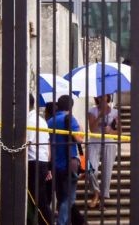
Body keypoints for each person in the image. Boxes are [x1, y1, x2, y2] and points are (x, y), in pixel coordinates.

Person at [48, 94, 84, 225]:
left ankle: (64, 221)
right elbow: (79, 139)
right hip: (69, 163)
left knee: (61, 196)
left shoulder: (50, 121)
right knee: (70, 197)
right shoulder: (70, 119)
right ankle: (61, 222)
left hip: (55, 164)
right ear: (71, 107)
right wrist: (80, 127)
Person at [86, 94, 119, 210]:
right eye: (99, 96)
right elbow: (92, 129)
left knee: (107, 172)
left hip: (109, 143)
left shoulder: (115, 112)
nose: (101, 98)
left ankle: (102, 200)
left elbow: (119, 132)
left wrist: (111, 131)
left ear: (108, 97)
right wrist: (100, 115)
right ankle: (96, 192)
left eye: (104, 96)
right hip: (94, 142)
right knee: (91, 169)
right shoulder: (92, 111)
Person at [27, 94, 53, 225]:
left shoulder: (30, 121)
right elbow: (47, 145)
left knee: (37, 200)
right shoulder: (41, 120)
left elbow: (26, 143)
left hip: (34, 163)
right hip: (41, 162)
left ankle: (47, 222)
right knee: (38, 199)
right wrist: (47, 165)